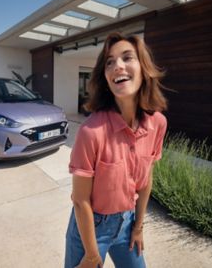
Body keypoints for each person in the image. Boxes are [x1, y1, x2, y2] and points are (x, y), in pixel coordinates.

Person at [64, 32, 168, 268]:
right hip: (90, 230)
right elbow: (81, 201)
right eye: (110, 62)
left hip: (128, 222)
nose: (117, 66)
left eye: (127, 58)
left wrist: (138, 227)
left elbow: (146, 180)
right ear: (105, 76)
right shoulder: (91, 131)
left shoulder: (158, 123)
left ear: (144, 68)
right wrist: (91, 255)